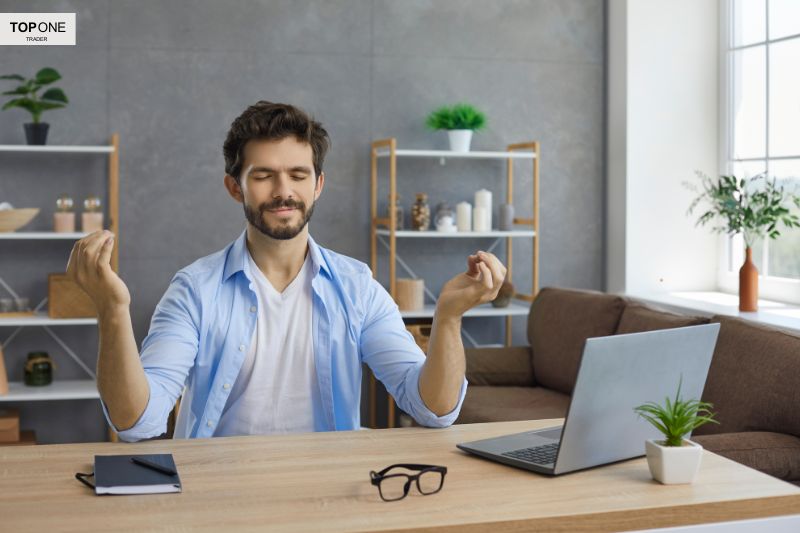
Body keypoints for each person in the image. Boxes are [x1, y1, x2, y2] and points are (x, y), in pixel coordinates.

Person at [67, 101, 507, 441]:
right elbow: (136, 422)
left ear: (317, 184)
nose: (283, 191)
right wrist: (112, 311)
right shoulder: (194, 289)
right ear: (233, 186)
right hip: (216, 498)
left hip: (327, 493)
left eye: (298, 174)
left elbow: (433, 409)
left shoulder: (357, 287)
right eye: (263, 175)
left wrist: (447, 319)